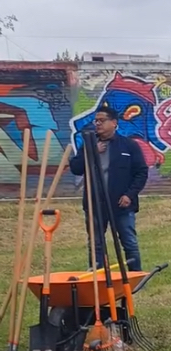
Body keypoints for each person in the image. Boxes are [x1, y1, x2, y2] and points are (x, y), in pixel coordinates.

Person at [69, 106, 149, 271]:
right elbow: (76, 168)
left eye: (102, 120)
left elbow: (141, 173)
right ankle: (97, 278)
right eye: (96, 120)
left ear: (114, 123)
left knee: (129, 242)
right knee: (96, 244)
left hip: (121, 205)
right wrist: (91, 152)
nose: (97, 124)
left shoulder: (128, 145)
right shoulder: (89, 144)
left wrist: (130, 195)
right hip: (95, 204)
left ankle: (135, 276)